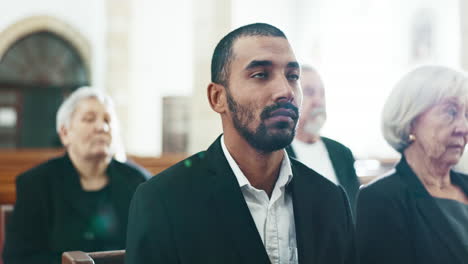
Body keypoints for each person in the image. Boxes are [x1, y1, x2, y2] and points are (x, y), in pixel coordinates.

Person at [126, 23, 357, 264]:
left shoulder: (330, 200)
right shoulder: (164, 201)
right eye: (260, 75)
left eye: (292, 76)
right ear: (218, 98)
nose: (285, 91)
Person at [3, 87, 147, 264]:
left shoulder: (139, 183)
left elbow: (152, 248)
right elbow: (19, 258)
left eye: (108, 120)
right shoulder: (36, 184)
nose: (102, 127)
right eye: (89, 119)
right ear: (64, 133)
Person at [356, 65, 468, 264]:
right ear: (410, 121)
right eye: (451, 112)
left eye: (467, 114)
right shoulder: (380, 199)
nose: (463, 128)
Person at [286, 65, 360, 213]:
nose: (318, 101)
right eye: (309, 92)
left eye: (322, 94)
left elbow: (355, 209)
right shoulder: (280, 154)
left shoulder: (342, 153)